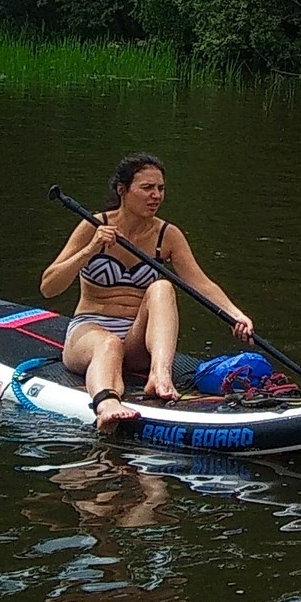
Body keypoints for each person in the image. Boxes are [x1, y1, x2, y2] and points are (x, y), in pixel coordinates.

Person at [42, 152, 255, 431]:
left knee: (163, 287)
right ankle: (107, 404)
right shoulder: (93, 225)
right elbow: (49, 287)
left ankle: (160, 376)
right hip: (90, 333)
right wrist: (91, 248)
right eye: (147, 188)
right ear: (123, 191)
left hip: (136, 339)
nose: (156, 195)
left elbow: (201, 283)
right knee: (109, 344)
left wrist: (237, 316)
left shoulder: (168, 235)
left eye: (160, 188)